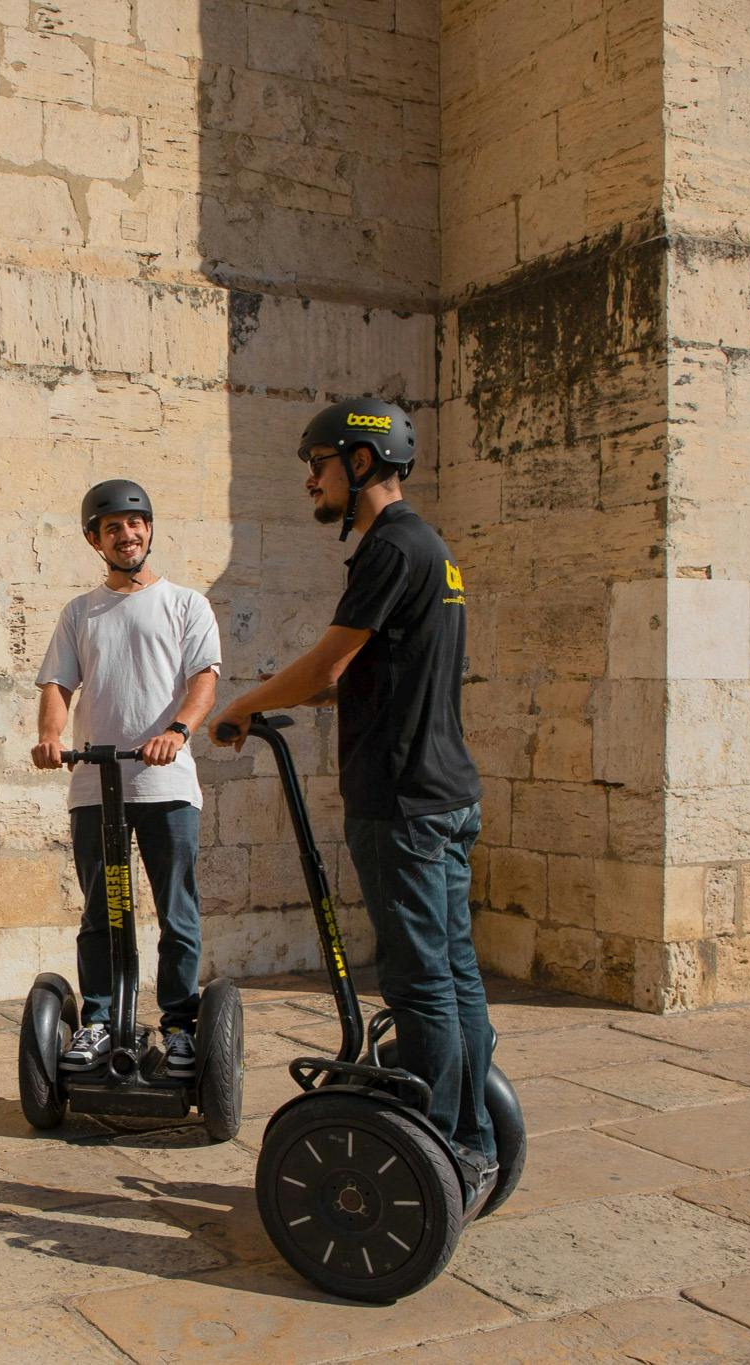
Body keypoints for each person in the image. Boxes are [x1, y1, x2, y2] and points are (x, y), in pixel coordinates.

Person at [211, 397, 494, 1177]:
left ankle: (437, 1144)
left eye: (318, 463)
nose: (310, 480)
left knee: (418, 981)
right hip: (444, 791)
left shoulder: (386, 548)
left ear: (359, 462)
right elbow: (378, 674)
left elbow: (328, 664)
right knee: (455, 973)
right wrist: (302, 694)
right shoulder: (431, 549)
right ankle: (471, 1136)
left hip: (401, 799)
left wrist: (243, 702)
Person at [32, 480, 221, 1076]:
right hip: (95, 784)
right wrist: (51, 737)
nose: (127, 534)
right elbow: (58, 684)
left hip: (166, 786)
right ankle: (99, 1018)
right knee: (101, 912)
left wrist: (179, 732)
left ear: (149, 530)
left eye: (135, 524)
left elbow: (203, 680)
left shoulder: (186, 603)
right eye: (112, 527)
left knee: (176, 913)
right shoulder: (80, 611)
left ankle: (180, 1025)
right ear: (96, 539)